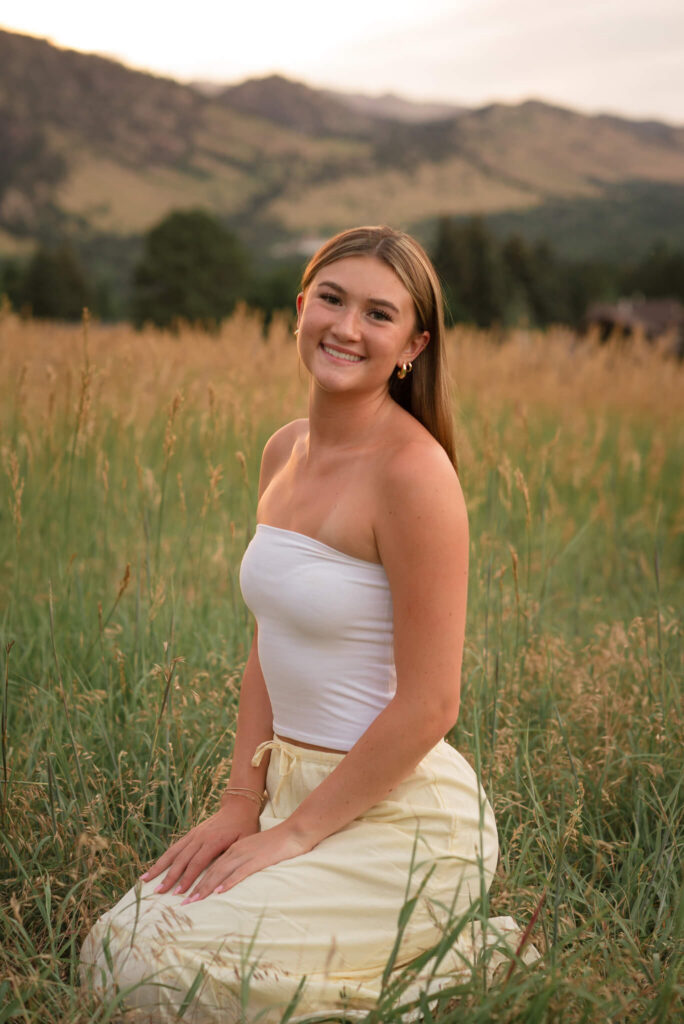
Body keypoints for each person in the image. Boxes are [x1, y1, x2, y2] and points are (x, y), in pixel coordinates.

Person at [80, 225, 525, 1022]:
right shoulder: (283, 450)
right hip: (288, 788)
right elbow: (268, 644)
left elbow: (431, 705)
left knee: (157, 975)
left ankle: (472, 955)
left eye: (378, 314)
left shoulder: (415, 475)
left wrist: (294, 837)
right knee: (115, 948)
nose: (347, 328)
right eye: (332, 298)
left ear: (412, 345)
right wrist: (241, 802)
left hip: (399, 817)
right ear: (299, 308)